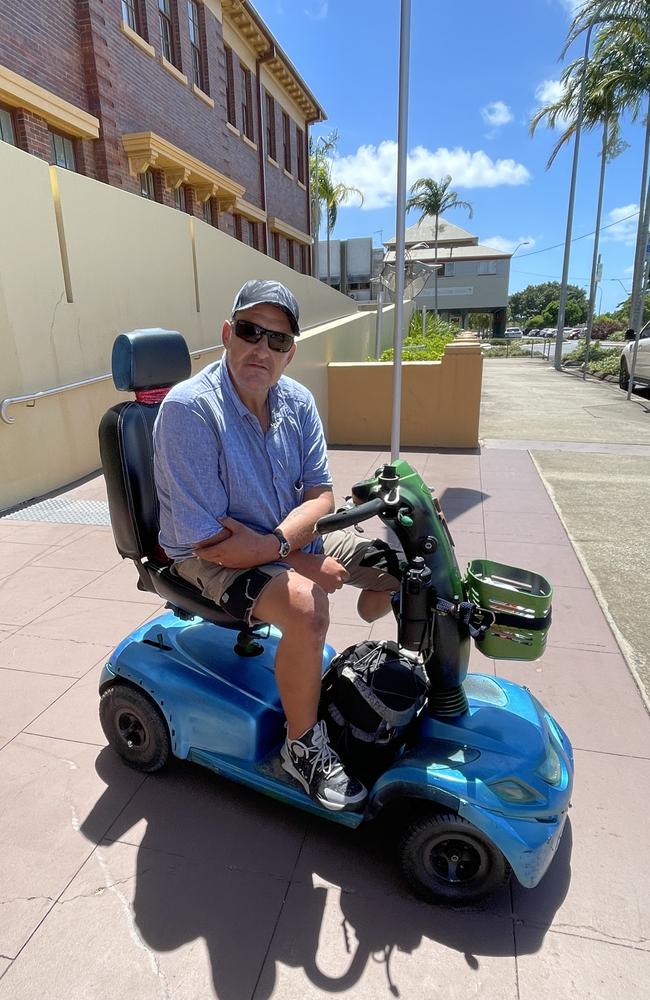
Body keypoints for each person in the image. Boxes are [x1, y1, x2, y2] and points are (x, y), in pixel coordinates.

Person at [153, 279, 401, 812]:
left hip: (273, 534)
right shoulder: (189, 410)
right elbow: (214, 544)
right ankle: (302, 748)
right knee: (309, 610)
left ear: (291, 351)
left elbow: (322, 495)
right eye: (250, 332)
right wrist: (304, 560)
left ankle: (391, 675)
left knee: (401, 563)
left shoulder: (297, 401)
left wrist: (286, 544)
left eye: (278, 340)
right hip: (205, 555)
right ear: (227, 334)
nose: (261, 349)